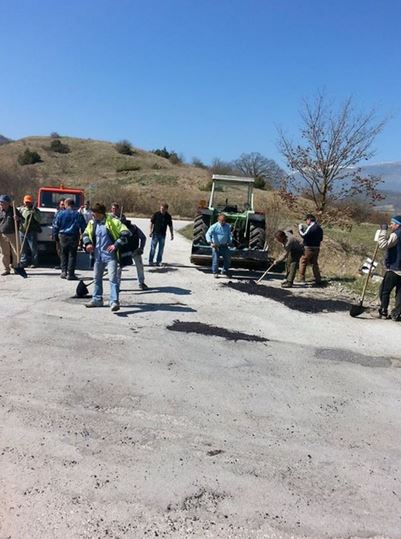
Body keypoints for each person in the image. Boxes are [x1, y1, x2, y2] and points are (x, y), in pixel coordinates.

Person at [83, 203, 130, 311]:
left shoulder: (113, 221)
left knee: (113, 279)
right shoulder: (92, 223)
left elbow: (126, 233)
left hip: (110, 257)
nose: (92, 215)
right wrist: (88, 244)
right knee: (96, 278)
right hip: (97, 256)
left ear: (100, 213)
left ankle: (114, 302)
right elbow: (86, 234)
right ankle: (97, 299)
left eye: (94, 213)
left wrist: (116, 244)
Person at [53, 198, 86, 280]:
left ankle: (64, 272)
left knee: (63, 254)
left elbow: (55, 225)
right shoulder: (77, 214)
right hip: (73, 236)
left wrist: (55, 235)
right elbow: (83, 226)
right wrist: (84, 235)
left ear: (66, 204)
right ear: (73, 204)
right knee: (72, 255)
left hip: (62, 236)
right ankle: (70, 274)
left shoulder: (60, 214)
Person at [377, 216, 401, 320]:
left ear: (398, 224)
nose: (390, 225)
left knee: (384, 290)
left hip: (394, 268)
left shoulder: (396, 234)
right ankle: (397, 314)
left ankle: (383, 311)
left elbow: (383, 245)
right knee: (400, 293)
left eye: (392, 223)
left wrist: (383, 231)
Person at [298, 214, 323, 285]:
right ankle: (318, 279)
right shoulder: (319, 227)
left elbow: (304, 235)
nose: (306, 222)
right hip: (317, 247)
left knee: (303, 262)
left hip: (308, 247)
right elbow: (321, 239)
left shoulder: (311, 227)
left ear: (309, 219)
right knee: (314, 263)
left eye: (306, 220)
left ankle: (302, 279)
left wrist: (300, 229)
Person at [0, 194, 22, 276]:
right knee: (4, 253)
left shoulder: (14, 210)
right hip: (2, 235)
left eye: (3, 202)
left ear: (8, 203)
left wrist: (17, 218)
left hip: (13, 234)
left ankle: (16, 268)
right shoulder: (0, 211)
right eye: (0, 202)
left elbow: (22, 219)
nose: (1, 204)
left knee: (15, 252)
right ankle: (6, 269)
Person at [205, 213, 232, 278]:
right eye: (221, 221)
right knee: (215, 259)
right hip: (216, 246)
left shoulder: (228, 226)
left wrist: (230, 241)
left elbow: (229, 235)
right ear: (218, 220)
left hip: (224, 246)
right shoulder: (214, 226)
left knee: (228, 259)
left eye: (224, 221)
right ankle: (215, 272)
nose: (223, 222)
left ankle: (225, 271)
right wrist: (210, 242)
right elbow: (208, 234)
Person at [18, 195, 42, 268]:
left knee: (33, 248)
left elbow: (39, 220)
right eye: (26, 202)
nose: (27, 203)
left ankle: (35, 262)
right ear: (24, 202)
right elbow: (18, 218)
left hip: (31, 231)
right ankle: (24, 262)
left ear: (31, 202)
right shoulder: (21, 209)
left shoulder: (36, 210)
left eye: (29, 202)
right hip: (22, 231)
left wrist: (34, 213)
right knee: (23, 248)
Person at [53, 198, 65, 269]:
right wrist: (53, 234)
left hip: (63, 235)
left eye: (64, 204)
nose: (63, 206)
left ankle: (64, 265)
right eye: (61, 204)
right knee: (58, 250)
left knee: (63, 250)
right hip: (57, 234)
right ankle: (61, 263)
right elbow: (54, 224)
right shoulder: (57, 213)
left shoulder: (67, 213)